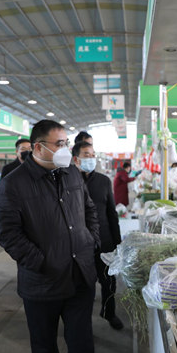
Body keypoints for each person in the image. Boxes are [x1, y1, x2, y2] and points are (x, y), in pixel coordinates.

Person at [0, 120, 107, 353]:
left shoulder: (71, 172)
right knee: (44, 346)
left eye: (66, 143)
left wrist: (90, 240)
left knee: (82, 342)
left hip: (79, 273)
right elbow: (7, 233)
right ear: (38, 147)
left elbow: (89, 210)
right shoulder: (14, 183)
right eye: (59, 144)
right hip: (42, 281)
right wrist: (42, 262)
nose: (65, 149)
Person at [72, 141, 123, 330]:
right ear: (76, 159)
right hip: (79, 243)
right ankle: (82, 321)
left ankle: (109, 312)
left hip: (105, 240)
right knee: (83, 285)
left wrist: (117, 242)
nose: (91, 158)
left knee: (109, 281)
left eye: (93, 155)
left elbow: (111, 213)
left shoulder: (103, 181)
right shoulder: (68, 181)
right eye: (87, 155)